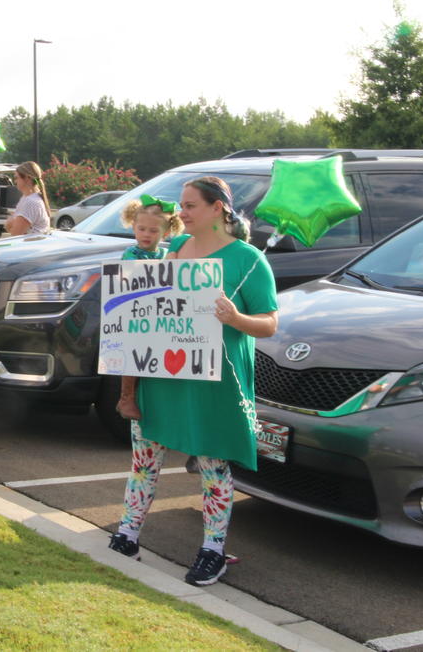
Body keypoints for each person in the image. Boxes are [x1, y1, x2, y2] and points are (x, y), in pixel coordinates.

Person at [107, 176, 278, 587]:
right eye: (181, 205)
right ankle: (128, 533)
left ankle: (212, 550)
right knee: (144, 460)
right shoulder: (175, 250)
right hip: (163, 372)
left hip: (215, 379)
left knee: (213, 465)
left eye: (190, 205)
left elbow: (269, 323)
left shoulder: (249, 259)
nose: (180, 213)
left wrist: (236, 318)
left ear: (217, 208)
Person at [114, 195, 184, 420]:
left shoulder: (166, 254)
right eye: (141, 228)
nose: (146, 234)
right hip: (134, 317)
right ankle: (126, 397)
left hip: (159, 317)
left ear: (165, 233)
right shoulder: (131, 254)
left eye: (153, 231)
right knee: (133, 352)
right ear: (133, 227)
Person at [5, 161, 51, 236]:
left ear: (27, 178)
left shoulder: (31, 202)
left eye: (17, 178)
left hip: (31, 246)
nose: (15, 181)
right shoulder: (27, 198)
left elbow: (15, 234)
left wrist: (11, 222)